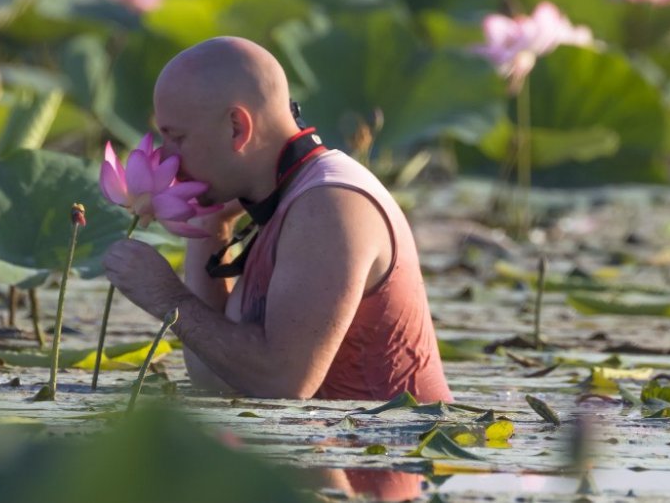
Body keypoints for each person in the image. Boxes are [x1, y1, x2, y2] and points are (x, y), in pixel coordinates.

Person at [102, 36, 452, 402]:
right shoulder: (282, 199)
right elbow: (212, 375)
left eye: (177, 138)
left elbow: (283, 383)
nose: (165, 160)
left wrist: (166, 297)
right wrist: (209, 229)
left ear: (237, 127)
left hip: (388, 454)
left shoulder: (329, 203)